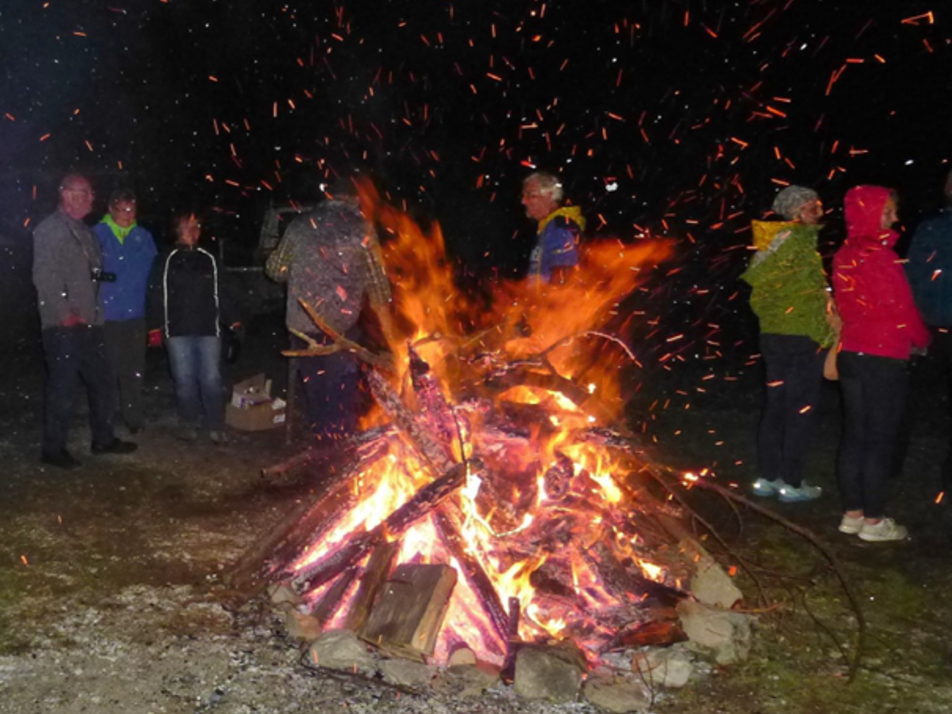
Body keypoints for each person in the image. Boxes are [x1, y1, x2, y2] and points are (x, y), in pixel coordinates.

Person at [833, 186, 930, 542]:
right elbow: (901, 309)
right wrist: (923, 339)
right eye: (886, 211)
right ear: (869, 212)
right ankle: (874, 522)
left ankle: (852, 514)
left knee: (855, 435)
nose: (893, 217)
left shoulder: (844, 253)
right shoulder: (881, 257)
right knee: (878, 440)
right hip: (883, 356)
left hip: (853, 354)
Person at [265, 181, 390, 441]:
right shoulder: (360, 229)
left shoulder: (300, 226)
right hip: (340, 328)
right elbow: (378, 285)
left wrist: (300, 269)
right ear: (354, 197)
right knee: (340, 387)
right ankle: (338, 442)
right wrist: (385, 318)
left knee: (315, 385)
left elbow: (274, 270)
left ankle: (322, 434)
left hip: (303, 325)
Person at [32, 174, 138, 468]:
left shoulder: (86, 233)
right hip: (63, 327)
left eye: (90, 194)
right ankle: (53, 449)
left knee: (103, 382)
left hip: (90, 324)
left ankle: (103, 440)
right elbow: (44, 277)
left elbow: (92, 277)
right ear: (66, 194)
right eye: (87, 193)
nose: (92, 199)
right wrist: (64, 314)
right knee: (63, 387)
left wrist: (100, 309)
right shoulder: (50, 229)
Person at [741, 185, 837, 503]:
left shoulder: (768, 246)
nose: (820, 213)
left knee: (776, 407)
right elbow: (812, 301)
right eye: (812, 207)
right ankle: (792, 483)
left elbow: (762, 298)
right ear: (796, 211)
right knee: (800, 409)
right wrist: (828, 334)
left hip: (772, 336)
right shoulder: (799, 245)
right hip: (801, 339)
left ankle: (768, 477)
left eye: (819, 206)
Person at [148, 211, 237, 444]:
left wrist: (234, 317)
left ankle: (215, 425)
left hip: (209, 328)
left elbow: (223, 290)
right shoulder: (166, 258)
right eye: (187, 225)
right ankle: (188, 423)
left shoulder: (209, 257)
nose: (193, 230)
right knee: (184, 379)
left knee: (211, 378)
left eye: (196, 225)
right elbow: (156, 293)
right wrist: (154, 327)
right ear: (177, 229)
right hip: (176, 330)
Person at [92, 188, 157, 435]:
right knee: (106, 370)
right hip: (106, 315)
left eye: (131, 210)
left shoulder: (143, 237)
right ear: (111, 209)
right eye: (122, 210)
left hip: (135, 315)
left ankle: (133, 417)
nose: (127, 216)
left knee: (133, 369)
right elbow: (86, 272)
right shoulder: (97, 235)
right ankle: (104, 420)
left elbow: (152, 274)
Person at [905, 169, 952, 492]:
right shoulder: (932, 227)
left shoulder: (932, 228)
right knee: (904, 401)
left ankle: (887, 465)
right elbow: (913, 279)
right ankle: (884, 466)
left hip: (931, 326)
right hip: (931, 328)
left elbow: (913, 280)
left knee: (906, 401)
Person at [521, 172, 584, 284]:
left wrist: (549, 300)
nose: (524, 201)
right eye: (524, 195)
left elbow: (563, 276)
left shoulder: (559, 228)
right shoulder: (546, 228)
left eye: (531, 195)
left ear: (550, 196)